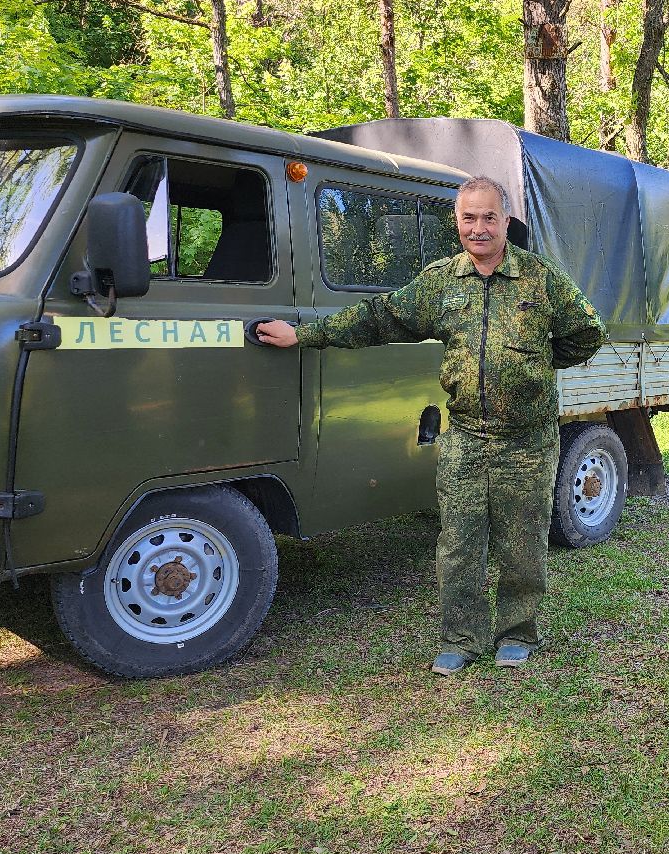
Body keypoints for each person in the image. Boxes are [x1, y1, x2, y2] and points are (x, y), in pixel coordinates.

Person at [255, 176, 605, 676]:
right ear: (457, 222)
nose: (478, 228)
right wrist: (305, 334)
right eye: (469, 218)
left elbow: (587, 332)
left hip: (526, 441)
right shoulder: (442, 281)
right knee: (459, 543)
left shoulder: (541, 280)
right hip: (465, 436)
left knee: (522, 544)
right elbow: (379, 318)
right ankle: (461, 638)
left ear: (506, 222)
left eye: (489, 218)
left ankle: (518, 634)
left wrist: (534, 367)